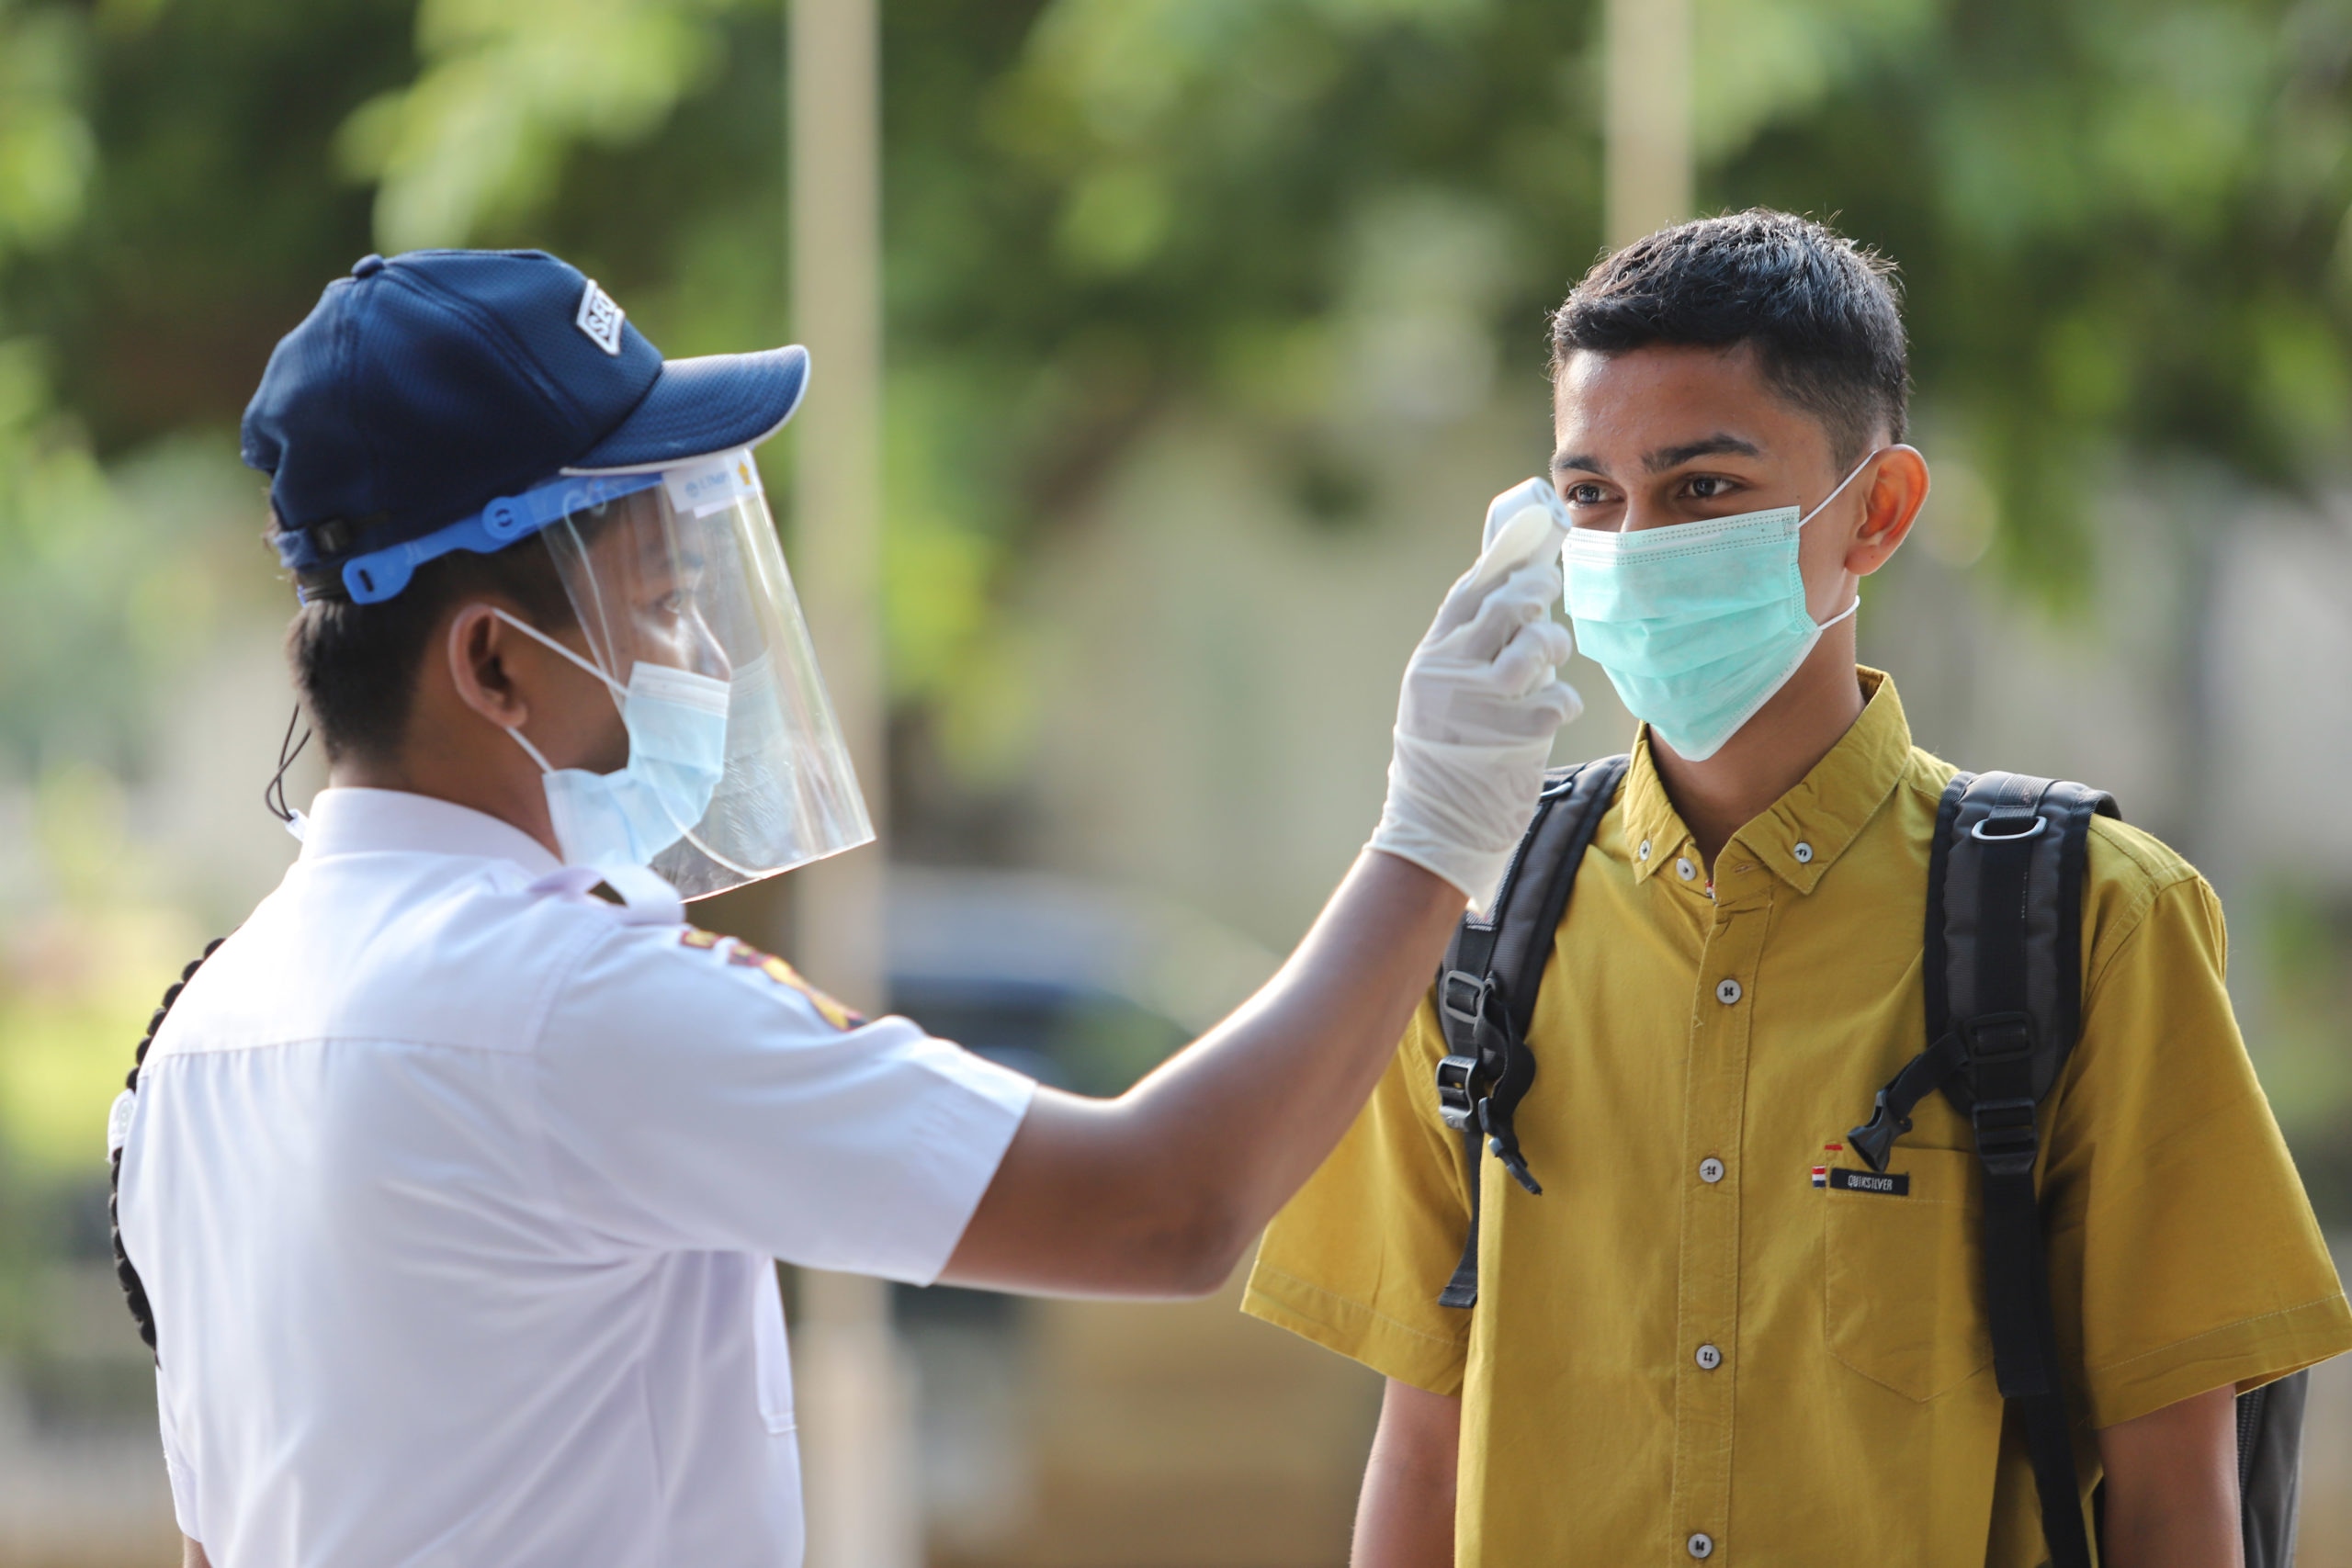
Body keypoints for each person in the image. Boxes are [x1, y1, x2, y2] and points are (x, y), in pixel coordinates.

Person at [108, 247, 1588, 1568]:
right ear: (493, 665)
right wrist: (1436, 828)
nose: (695, 646)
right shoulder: (572, 1008)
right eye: (655, 597)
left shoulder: (196, 1043)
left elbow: (214, 1532)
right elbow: (1165, 1207)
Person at [1243, 210, 2352, 1568]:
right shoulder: (1472, 920)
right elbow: (1423, 1450)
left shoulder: (2090, 921)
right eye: (1591, 495)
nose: (1637, 544)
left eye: (1703, 489)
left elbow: (2178, 1490)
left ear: (1876, 513)